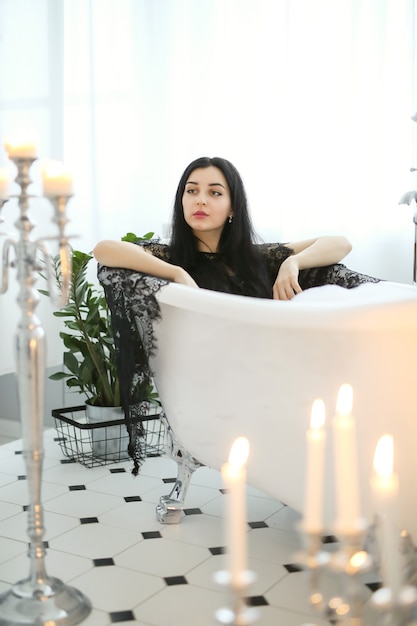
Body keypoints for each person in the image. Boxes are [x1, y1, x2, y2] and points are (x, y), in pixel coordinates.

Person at [94, 156, 376, 300]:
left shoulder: (255, 256)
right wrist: (177, 273)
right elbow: (104, 249)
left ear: (232, 208)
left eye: (214, 193)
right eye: (191, 191)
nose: (200, 199)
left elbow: (340, 243)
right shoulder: (169, 257)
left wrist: (293, 262)